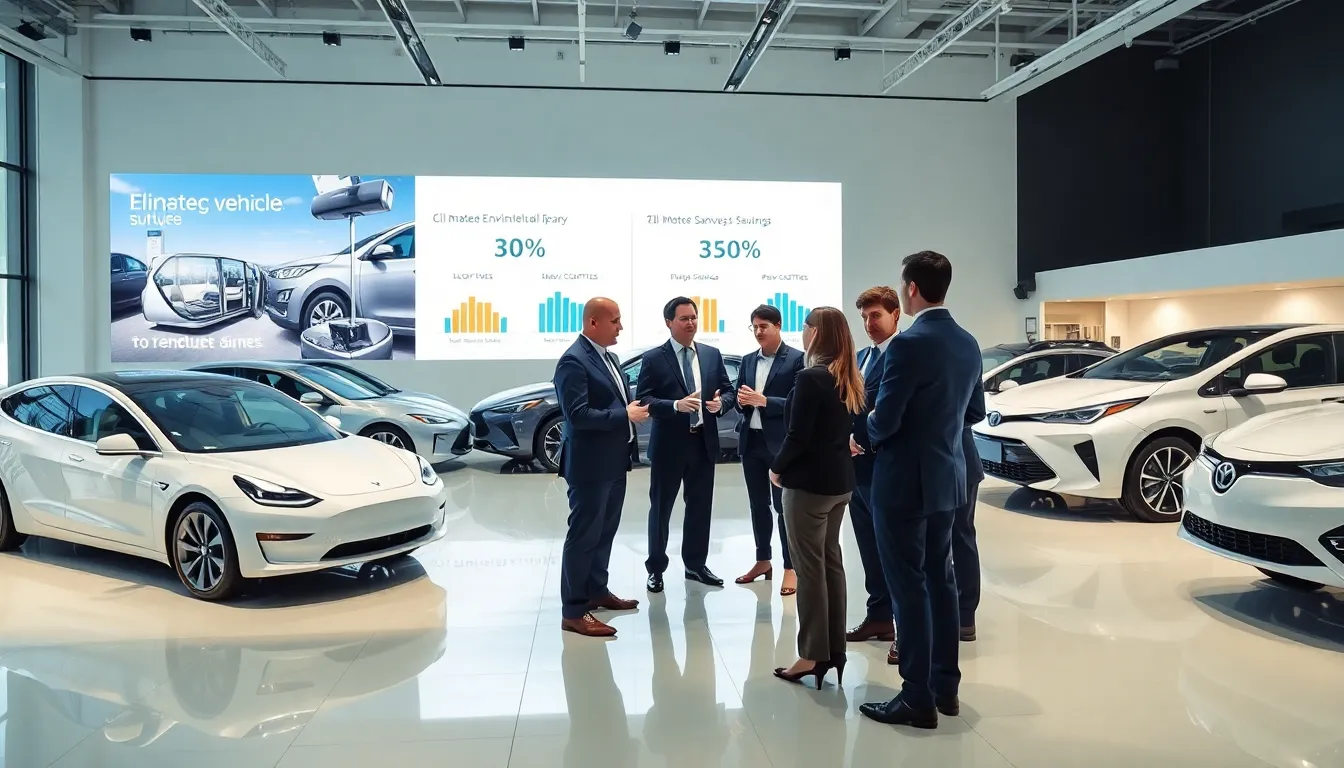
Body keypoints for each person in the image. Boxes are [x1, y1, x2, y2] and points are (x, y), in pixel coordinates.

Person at [859, 251, 982, 728]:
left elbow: (884, 421)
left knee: (907, 587)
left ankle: (916, 697)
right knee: (941, 582)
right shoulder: (968, 342)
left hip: (902, 483)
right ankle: (945, 689)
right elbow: (973, 413)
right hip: (948, 477)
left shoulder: (908, 345)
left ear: (910, 289)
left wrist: (865, 426)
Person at [769, 307, 865, 689]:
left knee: (809, 570)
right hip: (840, 485)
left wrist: (776, 468)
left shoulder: (811, 378)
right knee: (830, 565)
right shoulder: (851, 377)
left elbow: (798, 437)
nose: (802, 332)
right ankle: (834, 651)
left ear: (816, 334)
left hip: (807, 487)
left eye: (806, 327)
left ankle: (811, 655)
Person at [553, 297, 651, 637]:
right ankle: (574, 611)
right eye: (616, 321)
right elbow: (577, 416)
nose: (621, 327)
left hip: (614, 462)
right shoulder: (573, 361)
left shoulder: (609, 357)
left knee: (604, 533)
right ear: (593, 323)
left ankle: (596, 591)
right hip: (590, 467)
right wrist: (623, 414)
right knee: (583, 536)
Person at [636, 296, 736, 593]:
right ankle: (656, 569)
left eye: (694, 317)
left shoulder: (711, 354)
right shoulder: (654, 358)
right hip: (669, 446)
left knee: (700, 508)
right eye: (684, 318)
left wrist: (722, 403)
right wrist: (676, 406)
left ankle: (695, 564)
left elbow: (728, 391)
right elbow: (645, 399)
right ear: (669, 322)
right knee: (661, 510)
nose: (691, 323)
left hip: (703, 443)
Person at [844, 286, 901, 657]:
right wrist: (844, 437)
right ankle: (879, 615)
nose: (869, 323)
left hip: (887, 466)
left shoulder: (904, 354)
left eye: (876, 315)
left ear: (896, 314)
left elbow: (893, 410)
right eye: (864, 317)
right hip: (856, 469)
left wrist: (864, 436)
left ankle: (904, 626)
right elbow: (850, 406)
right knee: (867, 546)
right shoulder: (862, 357)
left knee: (894, 551)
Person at [733, 305, 805, 595]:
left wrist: (764, 401)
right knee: (757, 505)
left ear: (778, 326)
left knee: (783, 508)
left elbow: (798, 403)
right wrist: (739, 401)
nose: (759, 332)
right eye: (755, 327)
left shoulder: (797, 360)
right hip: (751, 441)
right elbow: (740, 397)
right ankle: (763, 560)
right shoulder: (748, 360)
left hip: (781, 445)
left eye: (764, 326)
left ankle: (791, 567)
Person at [954, 399, 985, 641]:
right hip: (964, 458)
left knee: (957, 537)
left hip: (947, 459)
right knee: (962, 536)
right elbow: (977, 411)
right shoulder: (970, 358)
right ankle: (964, 617)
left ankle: (962, 616)